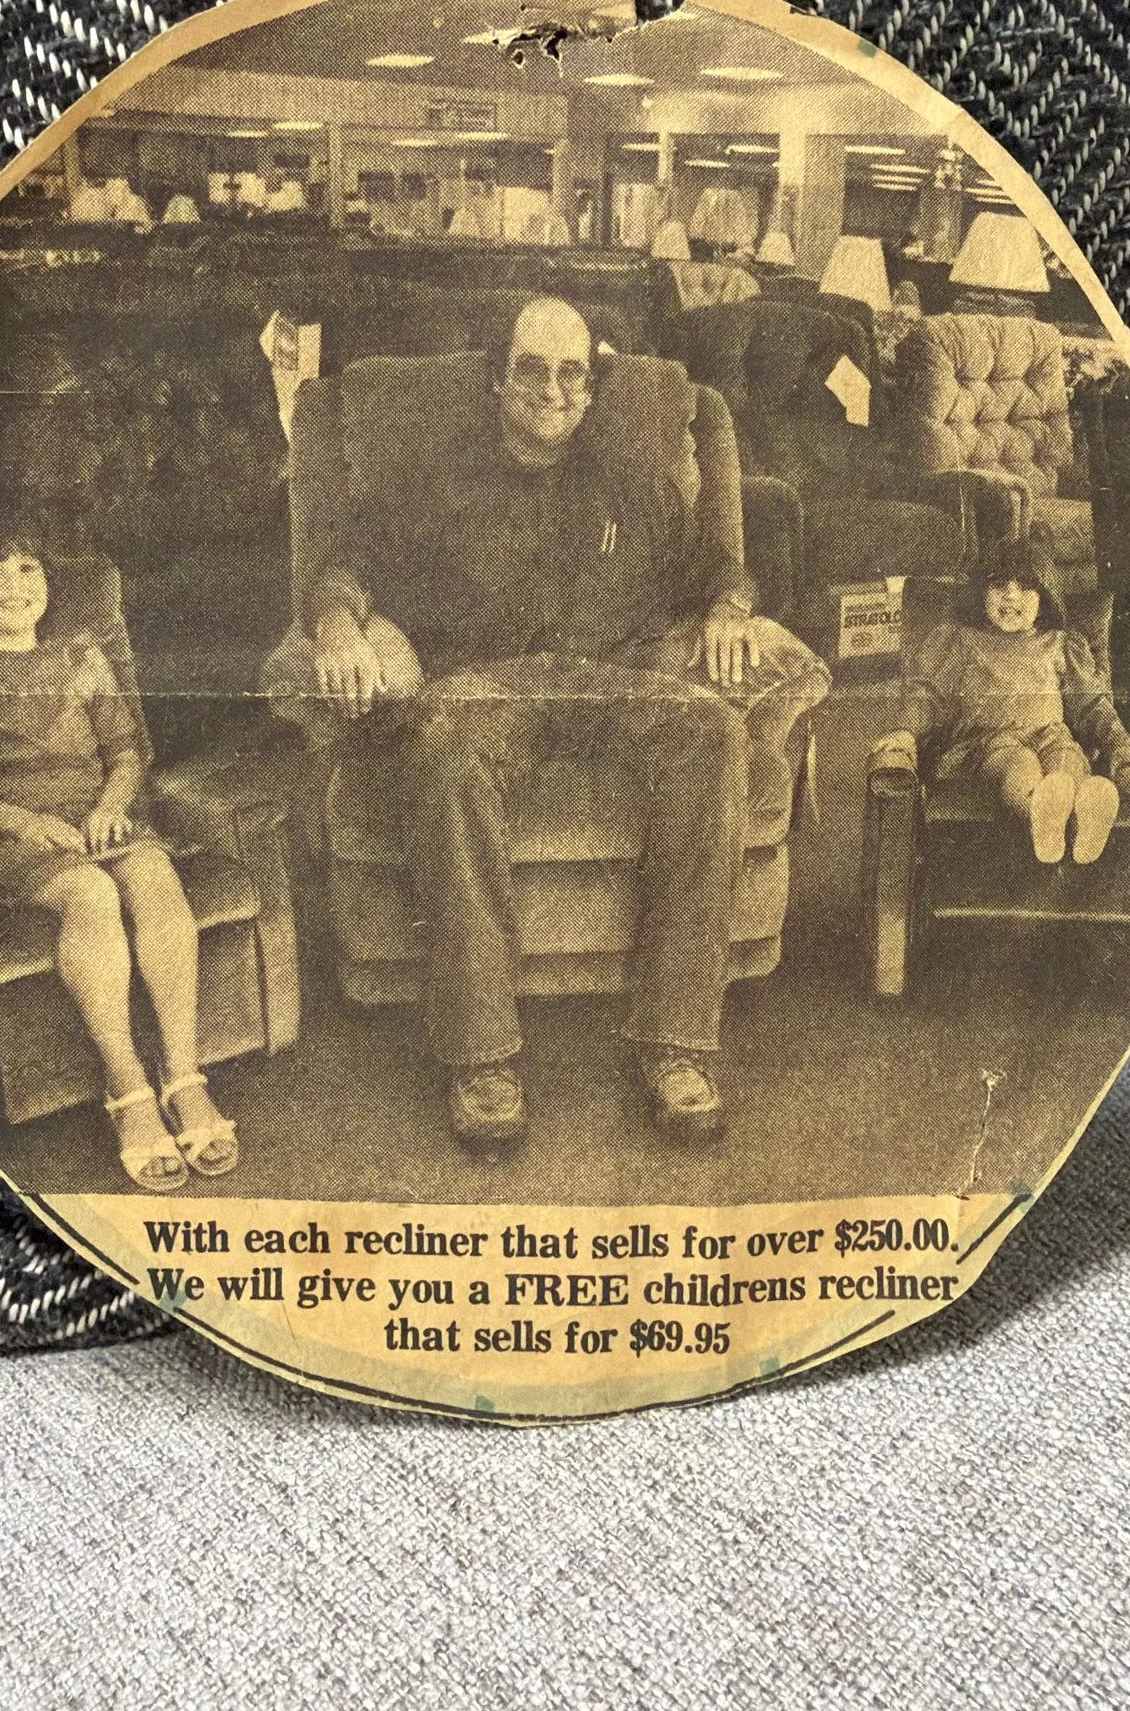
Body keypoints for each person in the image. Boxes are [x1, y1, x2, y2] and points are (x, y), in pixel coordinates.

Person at [288, 295, 827, 1152]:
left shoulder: (631, 477)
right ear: (499, 378)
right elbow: (347, 565)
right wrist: (341, 625)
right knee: (444, 746)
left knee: (713, 734)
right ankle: (483, 1058)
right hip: (485, 687)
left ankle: (676, 1045)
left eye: (571, 372)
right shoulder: (438, 479)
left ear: (591, 385)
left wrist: (729, 608)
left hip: (617, 677)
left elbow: (717, 564)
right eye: (532, 369)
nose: (552, 389)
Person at [0, 521, 239, 1191]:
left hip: (100, 816)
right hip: (10, 835)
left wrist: (111, 808)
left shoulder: (82, 655)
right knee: (91, 893)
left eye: (28, 567)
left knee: (152, 873)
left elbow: (125, 754)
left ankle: (183, 1076)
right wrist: (22, 820)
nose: (14, 584)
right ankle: (129, 1091)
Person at [873, 535, 1130, 864]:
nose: (1010, 593)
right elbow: (930, 696)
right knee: (1019, 764)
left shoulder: (1060, 644)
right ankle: (1042, 816)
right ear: (980, 594)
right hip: (987, 741)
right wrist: (906, 731)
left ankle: (1083, 818)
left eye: (1024, 586)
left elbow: (1091, 706)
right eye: (998, 584)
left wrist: (1120, 743)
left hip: (1051, 735)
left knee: (1064, 764)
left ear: (1045, 597)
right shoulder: (962, 640)